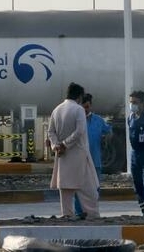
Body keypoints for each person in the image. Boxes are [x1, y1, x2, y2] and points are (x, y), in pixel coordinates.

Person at [47, 82, 100, 219]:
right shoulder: (78, 109)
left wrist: (56, 146)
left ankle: (67, 217)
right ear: (79, 96)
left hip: (62, 157)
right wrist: (65, 144)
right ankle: (93, 217)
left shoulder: (56, 110)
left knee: (65, 191)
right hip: (79, 156)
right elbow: (79, 132)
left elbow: (50, 132)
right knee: (90, 193)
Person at [73, 93, 112, 217]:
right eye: (83, 107)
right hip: (79, 161)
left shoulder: (98, 120)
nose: (85, 110)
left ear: (90, 106)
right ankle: (79, 213)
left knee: (95, 188)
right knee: (78, 188)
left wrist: (107, 139)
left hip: (95, 161)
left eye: (87, 107)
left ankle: (92, 211)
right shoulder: (74, 120)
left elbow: (109, 130)